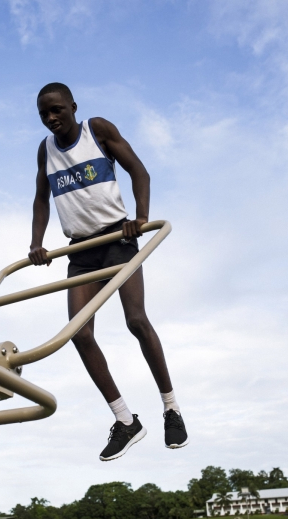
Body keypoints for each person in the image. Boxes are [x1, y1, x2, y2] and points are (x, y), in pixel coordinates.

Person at [29, 81, 189, 461]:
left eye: (57, 110)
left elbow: (140, 171)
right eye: (43, 114)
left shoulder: (97, 130)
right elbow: (40, 198)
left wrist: (142, 217)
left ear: (72, 106)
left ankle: (171, 408)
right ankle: (125, 420)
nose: (51, 118)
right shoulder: (45, 150)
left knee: (136, 320)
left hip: (117, 238)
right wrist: (37, 243)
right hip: (81, 252)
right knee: (78, 333)